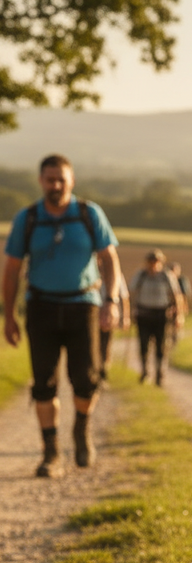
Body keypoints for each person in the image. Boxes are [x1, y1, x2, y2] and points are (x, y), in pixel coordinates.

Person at [2, 154, 122, 478]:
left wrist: (111, 300)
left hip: (83, 305)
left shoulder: (88, 214)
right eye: (49, 179)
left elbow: (109, 258)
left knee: (86, 380)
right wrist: (9, 316)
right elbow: (12, 270)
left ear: (72, 182)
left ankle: (81, 428)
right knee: (44, 383)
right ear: (40, 181)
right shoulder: (27, 219)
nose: (55, 185)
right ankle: (50, 453)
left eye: (61, 180)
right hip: (40, 307)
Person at [129, 249, 184, 386]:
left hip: (161, 314)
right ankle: (145, 371)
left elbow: (176, 295)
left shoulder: (166, 276)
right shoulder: (141, 275)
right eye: (151, 262)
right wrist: (131, 310)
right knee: (143, 344)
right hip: (144, 314)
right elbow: (132, 292)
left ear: (161, 262)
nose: (153, 265)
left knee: (161, 346)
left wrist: (178, 315)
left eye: (156, 262)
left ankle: (160, 373)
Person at [98, 272, 131, 386]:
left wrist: (125, 318)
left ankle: (102, 373)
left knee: (105, 345)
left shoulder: (115, 274)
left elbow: (124, 297)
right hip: (90, 314)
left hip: (107, 316)